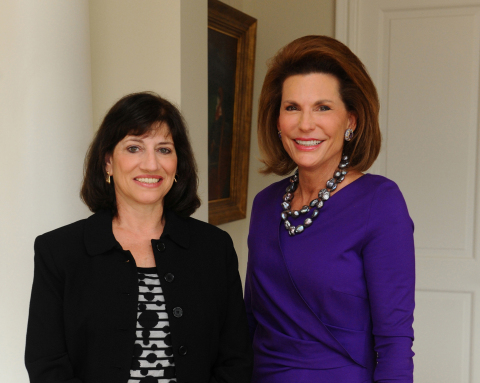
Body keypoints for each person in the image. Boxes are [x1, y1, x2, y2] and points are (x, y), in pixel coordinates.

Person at [25, 92, 253, 383]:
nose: (150, 164)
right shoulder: (58, 252)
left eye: (164, 149)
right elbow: (46, 364)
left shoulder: (214, 248)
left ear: (177, 164)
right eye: (134, 148)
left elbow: (236, 359)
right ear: (107, 162)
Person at [245, 35, 415, 382]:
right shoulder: (265, 204)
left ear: (350, 120)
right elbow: (250, 322)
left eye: (323, 107)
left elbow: (394, 341)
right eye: (292, 107)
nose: (305, 124)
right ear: (277, 120)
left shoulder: (380, 202)